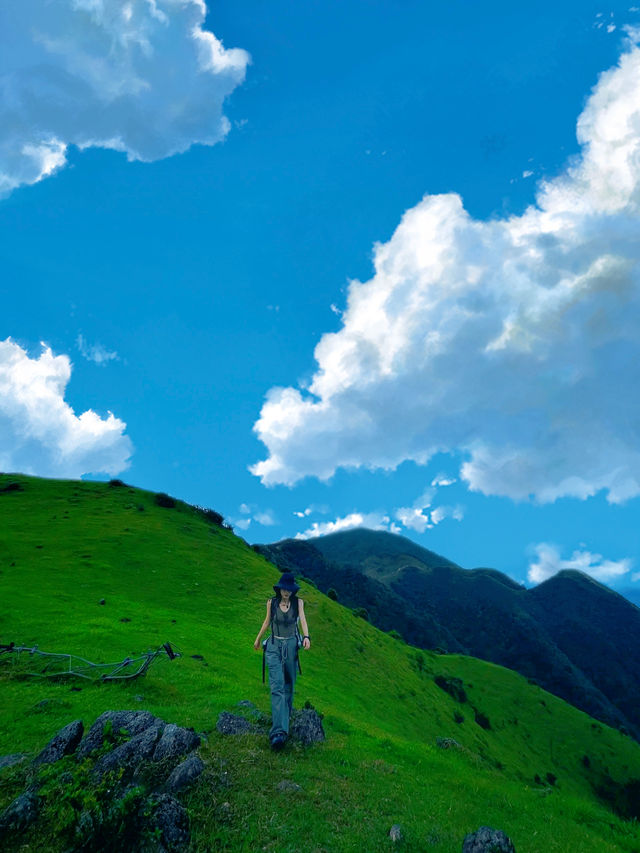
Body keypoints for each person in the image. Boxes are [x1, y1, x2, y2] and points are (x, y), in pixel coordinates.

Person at [254, 572, 311, 750]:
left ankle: (283, 723)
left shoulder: (298, 602)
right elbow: (266, 622)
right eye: (284, 589)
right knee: (277, 686)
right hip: (274, 646)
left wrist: (306, 637)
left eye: (289, 589)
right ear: (280, 588)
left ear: (293, 590)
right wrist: (258, 639)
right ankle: (278, 733)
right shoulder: (272, 603)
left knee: (289, 687)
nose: (286, 592)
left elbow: (302, 620)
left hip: (292, 646)